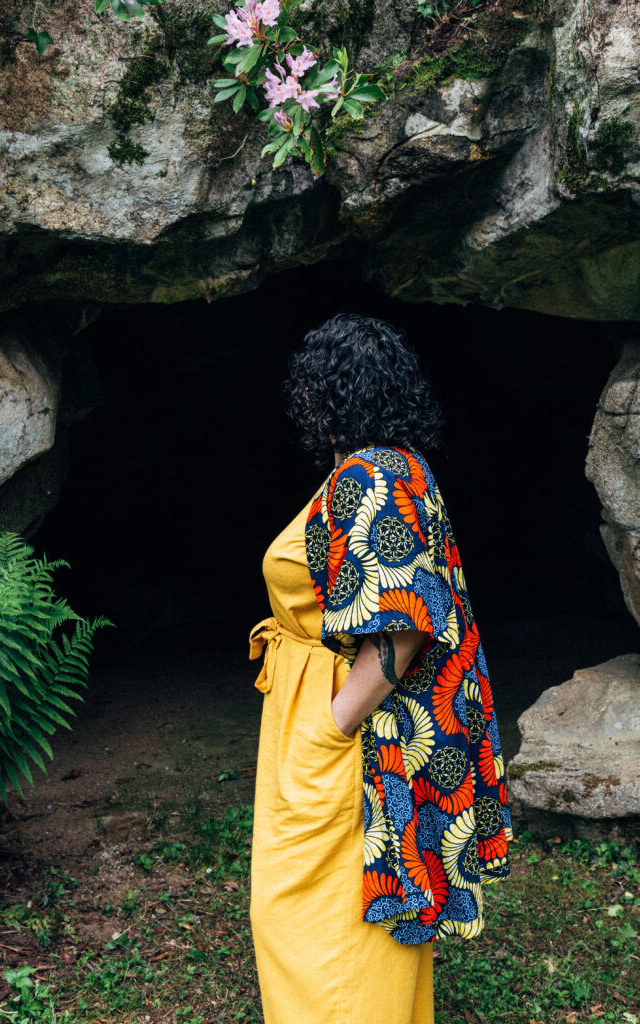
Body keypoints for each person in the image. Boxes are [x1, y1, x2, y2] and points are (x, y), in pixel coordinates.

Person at [248, 313, 513, 1024]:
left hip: (351, 737)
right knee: (317, 913)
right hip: (325, 716)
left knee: (318, 921)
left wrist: (329, 728)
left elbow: (402, 630)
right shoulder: (387, 467)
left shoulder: (374, 475)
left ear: (328, 393)